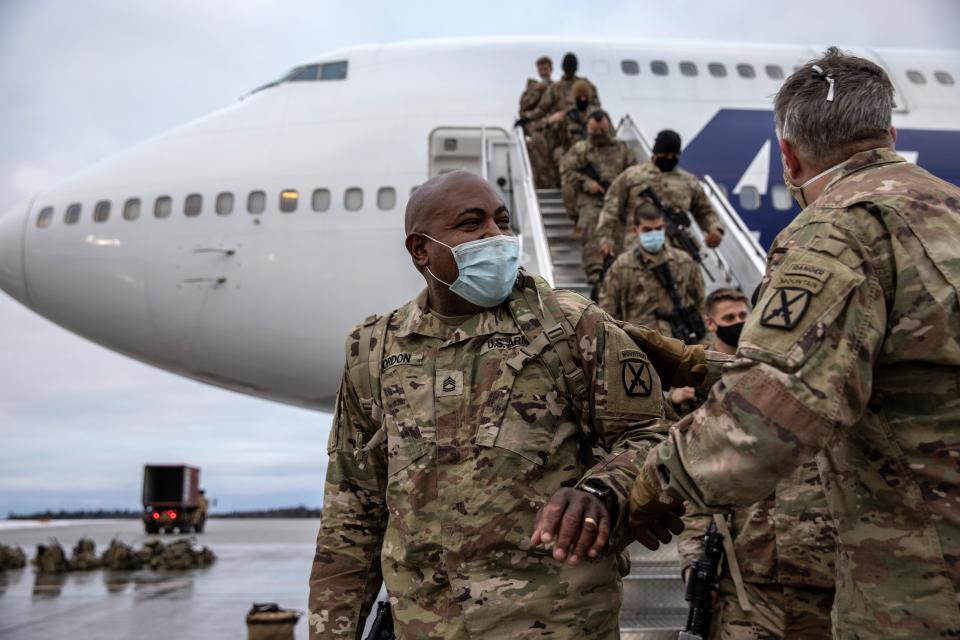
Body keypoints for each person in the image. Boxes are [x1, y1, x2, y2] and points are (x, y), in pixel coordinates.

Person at [629, 47, 960, 638]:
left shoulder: (840, 229)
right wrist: (705, 365)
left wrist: (646, 485)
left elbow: (768, 421)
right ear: (889, 132)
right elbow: (902, 367)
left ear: (788, 153)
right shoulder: (949, 209)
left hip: (922, 583)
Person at [308, 170, 683, 640]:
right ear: (420, 250)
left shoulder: (572, 326)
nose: (496, 235)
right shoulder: (373, 350)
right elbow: (352, 509)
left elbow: (655, 436)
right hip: (426, 625)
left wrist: (603, 490)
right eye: (471, 224)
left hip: (559, 623)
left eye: (502, 221)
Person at [675, 288, 837, 639]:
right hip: (747, 586)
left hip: (830, 584)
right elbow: (702, 487)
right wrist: (693, 561)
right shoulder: (732, 397)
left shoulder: (840, 392)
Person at [597, 130, 725, 259]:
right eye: (665, 155)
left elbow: (705, 211)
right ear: (656, 153)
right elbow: (610, 209)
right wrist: (605, 238)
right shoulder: (632, 176)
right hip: (637, 251)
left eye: (674, 156)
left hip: (677, 253)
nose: (669, 159)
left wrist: (715, 229)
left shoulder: (688, 181)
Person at [597, 206, 705, 342]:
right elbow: (607, 310)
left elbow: (701, 304)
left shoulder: (684, 262)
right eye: (647, 230)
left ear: (665, 227)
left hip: (678, 345)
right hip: (637, 346)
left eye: (658, 229)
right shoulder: (622, 266)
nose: (654, 234)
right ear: (635, 230)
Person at [559, 110, 637, 285]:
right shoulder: (581, 149)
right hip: (591, 198)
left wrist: (622, 189)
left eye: (602, 131)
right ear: (588, 128)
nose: (598, 135)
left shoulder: (622, 148)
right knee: (592, 224)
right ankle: (595, 270)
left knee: (618, 229)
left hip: (618, 198)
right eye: (594, 131)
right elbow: (567, 171)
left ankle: (617, 270)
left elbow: (633, 172)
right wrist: (587, 183)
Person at [517, 56, 558, 189]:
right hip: (536, 127)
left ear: (551, 70)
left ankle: (553, 184)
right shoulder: (533, 88)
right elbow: (523, 107)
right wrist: (536, 92)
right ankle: (542, 185)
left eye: (545, 69)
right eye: (540, 69)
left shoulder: (556, 87)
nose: (543, 72)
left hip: (552, 126)